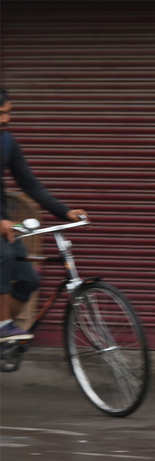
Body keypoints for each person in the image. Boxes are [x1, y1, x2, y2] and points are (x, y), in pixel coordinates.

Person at [0, 88, 87, 343]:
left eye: (8, 113)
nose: (7, 119)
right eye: (1, 114)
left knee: (28, 279)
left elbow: (29, 183)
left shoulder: (7, 143)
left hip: (4, 228)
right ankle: (3, 325)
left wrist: (64, 211)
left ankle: (7, 333)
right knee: (3, 257)